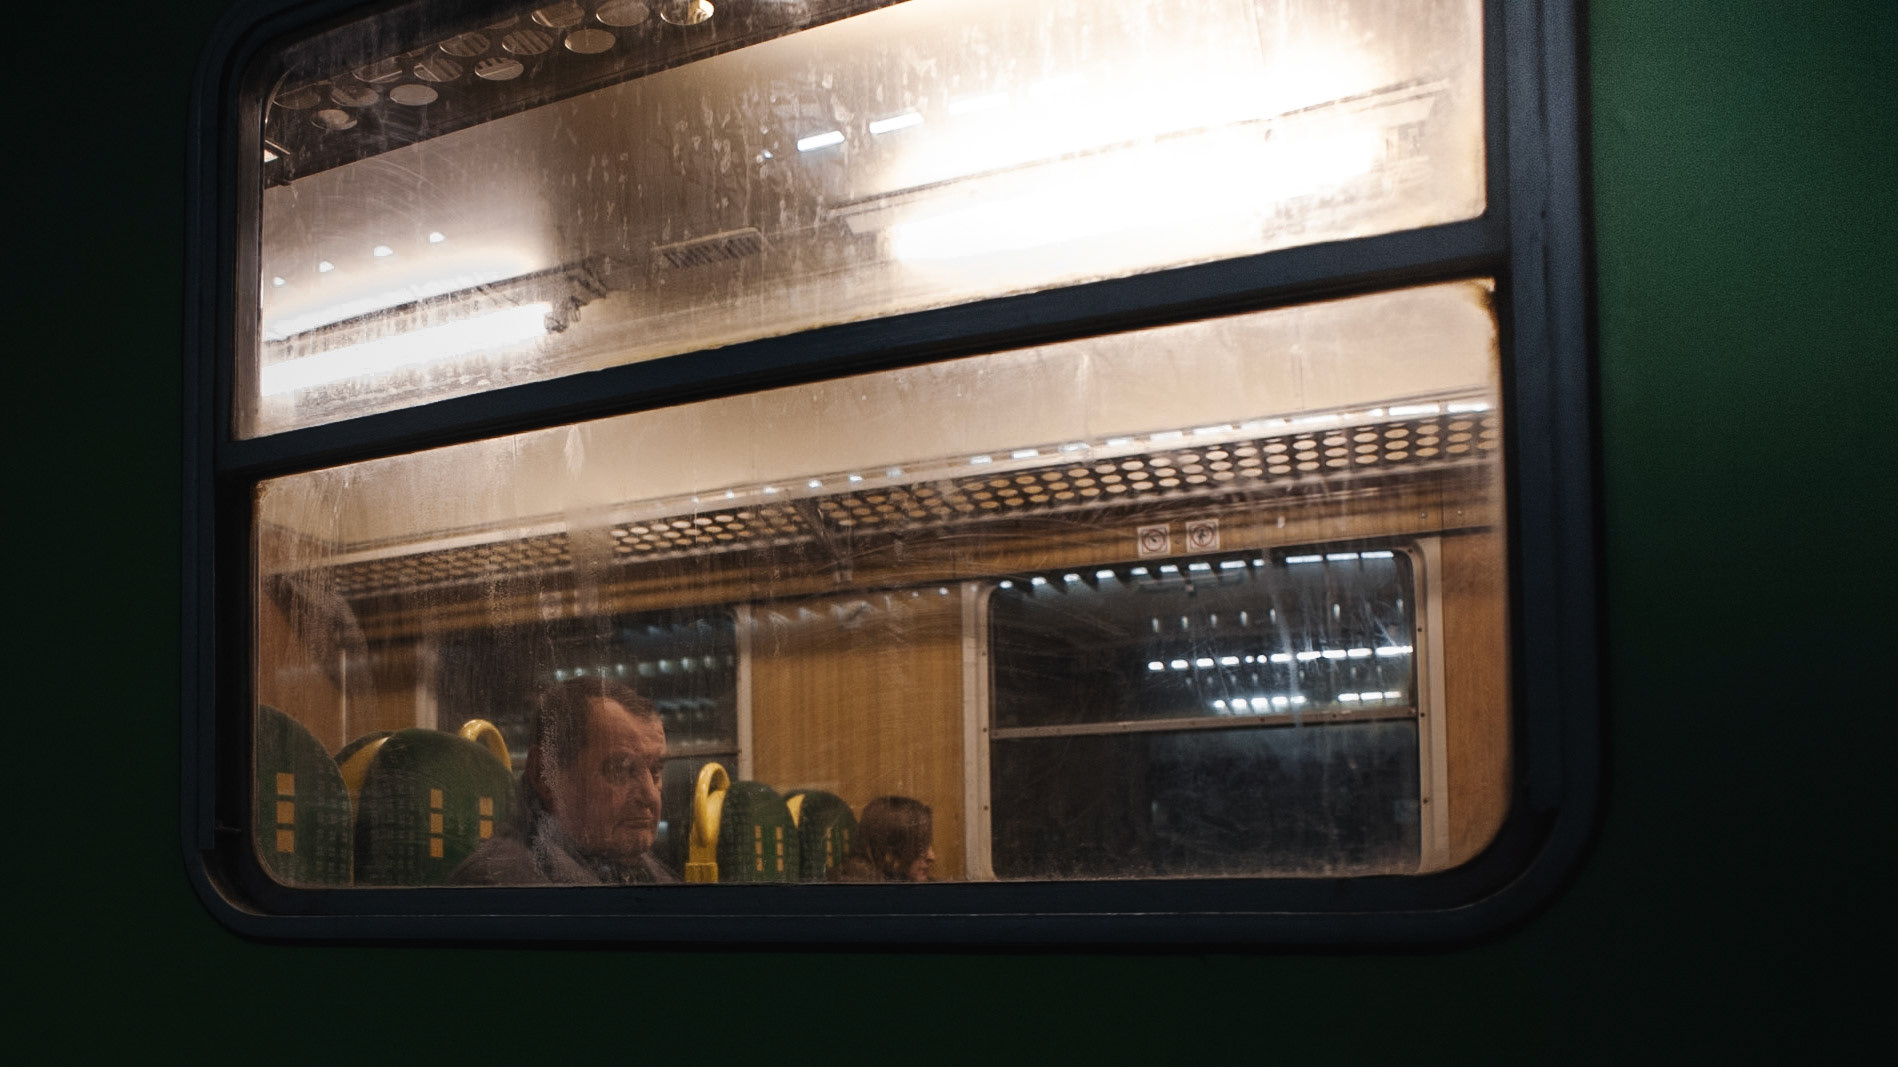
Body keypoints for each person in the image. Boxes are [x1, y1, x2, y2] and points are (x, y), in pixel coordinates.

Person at [454, 677, 677, 885]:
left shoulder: (639, 871)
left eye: (655, 770)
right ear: (545, 776)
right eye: (620, 770)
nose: (650, 796)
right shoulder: (501, 884)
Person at [833, 795, 934, 882]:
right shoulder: (854, 894)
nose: (932, 856)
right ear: (889, 851)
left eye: (928, 843)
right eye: (920, 845)